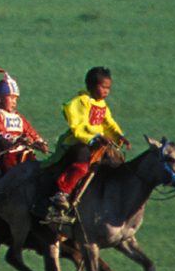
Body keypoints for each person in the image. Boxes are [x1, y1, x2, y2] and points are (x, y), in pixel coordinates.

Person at [41, 65, 128, 226]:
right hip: (78, 142)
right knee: (81, 167)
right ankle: (61, 194)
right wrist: (98, 136)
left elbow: (109, 123)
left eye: (108, 87)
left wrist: (119, 136)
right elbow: (78, 126)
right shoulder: (81, 102)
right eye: (103, 87)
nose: (106, 91)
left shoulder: (101, 104)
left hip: (97, 144)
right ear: (92, 86)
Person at [0, 68, 46, 173]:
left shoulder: (18, 117)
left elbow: (29, 130)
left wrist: (39, 142)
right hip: (7, 155)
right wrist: (18, 139)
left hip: (25, 153)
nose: (14, 102)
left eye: (16, 99)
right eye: (11, 98)